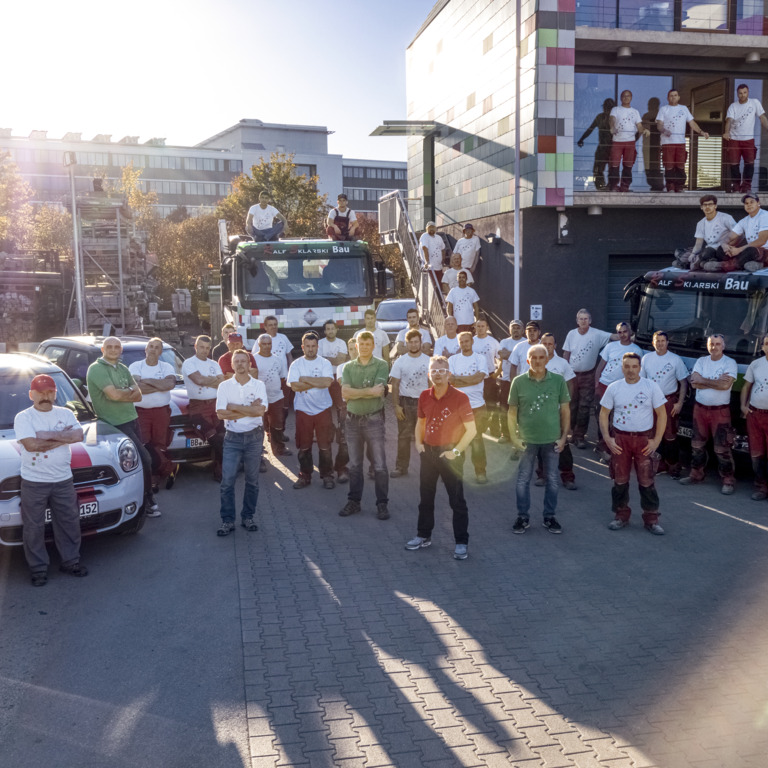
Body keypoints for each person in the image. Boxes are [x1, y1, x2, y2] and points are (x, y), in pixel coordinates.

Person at [14, 374, 88, 586]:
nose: (45, 396)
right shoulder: (24, 417)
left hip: (63, 480)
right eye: (40, 392)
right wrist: (62, 436)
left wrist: (45, 435)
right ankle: (38, 569)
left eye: (49, 392)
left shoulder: (65, 412)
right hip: (34, 482)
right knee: (33, 527)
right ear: (31, 394)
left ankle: (70, 561)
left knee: (69, 523)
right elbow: (31, 445)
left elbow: (79, 436)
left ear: (55, 394)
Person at [405, 356, 477, 560]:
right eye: (433, 371)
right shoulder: (424, 396)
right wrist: (419, 444)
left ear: (449, 374)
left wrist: (455, 452)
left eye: (441, 370)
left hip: (451, 454)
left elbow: (471, 430)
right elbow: (421, 422)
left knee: (457, 502)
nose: (437, 374)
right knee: (425, 499)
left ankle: (461, 542)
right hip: (429, 453)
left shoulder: (460, 397)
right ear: (429, 374)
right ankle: (423, 536)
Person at [87, 336, 158, 515]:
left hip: (132, 419)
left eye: (116, 347)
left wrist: (123, 393)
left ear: (121, 350)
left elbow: (139, 395)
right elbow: (114, 396)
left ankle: (137, 498)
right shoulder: (96, 369)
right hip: (115, 425)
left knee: (137, 462)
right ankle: (147, 500)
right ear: (102, 350)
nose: (113, 349)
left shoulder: (123, 368)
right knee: (144, 459)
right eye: (109, 347)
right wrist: (128, 392)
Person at [600, 353, 667, 534]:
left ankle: (651, 519)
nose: (630, 370)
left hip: (644, 440)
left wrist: (656, 440)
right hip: (620, 440)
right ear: (622, 368)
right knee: (620, 480)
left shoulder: (651, 387)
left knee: (647, 481)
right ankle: (621, 516)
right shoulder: (614, 388)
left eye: (634, 366)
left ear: (640, 368)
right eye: (627, 366)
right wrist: (607, 438)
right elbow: (604, 414)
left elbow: (662, 414)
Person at [508, 344, 570, 535]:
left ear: (547, 359)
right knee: (522, 480)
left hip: (552, 440)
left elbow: (566, 411)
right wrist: (514, 439)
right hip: (526, 440)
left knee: (552, 480)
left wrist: (563, 438)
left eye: (541, 357)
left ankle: (549, 517)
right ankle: (523, 517)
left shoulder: (558, 381)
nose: (537, 361)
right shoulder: (518, 382)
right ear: (527, 361)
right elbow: (511, 413)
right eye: (533, 358)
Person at [215, 349, 268, 536]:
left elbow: (260, 411)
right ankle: (228, 520)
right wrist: (249, 409)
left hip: (254, 438)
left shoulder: (259, 385)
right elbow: (221, 413)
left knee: (252, 481)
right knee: (227, 481)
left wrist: (235, 408)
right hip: (232, 438)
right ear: (232, 364)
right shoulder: (224, 387)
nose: (240, 364)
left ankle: (248, 517)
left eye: (243, 361)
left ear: (249, 364)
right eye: (236, 361)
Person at [340, 332, 390, 519]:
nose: (364, 347)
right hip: (352, 421)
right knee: (354, 465)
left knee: (379, 465)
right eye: (361, 343)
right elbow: (345, 392)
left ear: (373, 345)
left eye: (368, 344)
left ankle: (382, 504)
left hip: (374, 420)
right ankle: (354, 502)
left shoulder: (382, 365)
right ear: (357, 345)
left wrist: (356, 392)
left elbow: (379, 393)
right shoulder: (348, 367)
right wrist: (367, 391)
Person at [679, 334, 737, 494]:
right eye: (712, 344)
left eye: (718, 344)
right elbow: (694, 382)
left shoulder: (730, 363)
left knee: (722, 448)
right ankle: (696, 474)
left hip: (720, 411)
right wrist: (714, 382)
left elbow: (725, 386)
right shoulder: (701, 361)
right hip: (700, 409)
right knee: (696, 445)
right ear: (707, 346)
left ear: (723, 346)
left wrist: (703, 381)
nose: (714, 347)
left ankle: (728, 480)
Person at [129, 337, 177, 496]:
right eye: (151, 346)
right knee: (144, 444)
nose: (153, 349)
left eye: (157, 347)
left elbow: (169, 385)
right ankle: (169, 467)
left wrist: (147, 381)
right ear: (146, 349)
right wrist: (158, 384)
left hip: (161, 411)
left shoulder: (167, 366)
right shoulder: (136, 366)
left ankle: (155, 478)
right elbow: (137, 388)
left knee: (159, 444)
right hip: (140, 412)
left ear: (161, 351)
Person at [287, 333, 335, 490]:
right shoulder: (296, 365)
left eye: (313, 346)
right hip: (303, 409)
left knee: (325, 445)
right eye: (307, 346)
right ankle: (304, 475)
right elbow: (294, 386)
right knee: (304, 446)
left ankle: (327, 475)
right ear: (302, 347)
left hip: (323, 409)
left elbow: (327, 382)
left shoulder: (325, 363)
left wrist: (305, 379)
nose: (310, 349)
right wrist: (317, 383)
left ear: (317, 347)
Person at [562, 309, 616, 449]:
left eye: (586, 319)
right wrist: (564, 372)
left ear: (590, 321)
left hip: (588, 375)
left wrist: (630, 335)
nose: (583, 321)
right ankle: (571, 432)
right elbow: (566, 353)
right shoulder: (571, 334)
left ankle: (579, 436)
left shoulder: (597, 334)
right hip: (572, 375)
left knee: (584, 407)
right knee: (571, 405)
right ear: (577, 320)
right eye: (581, 319)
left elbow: (614, 337)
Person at [640, 331, 689, 479]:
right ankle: (658, 465)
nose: (660, 344)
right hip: (651, 402)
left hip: (668, 401)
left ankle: (673, 466)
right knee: (653, 433)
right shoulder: (646, 359)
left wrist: (679, 403)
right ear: (653, 343)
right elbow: (641, 382)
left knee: (670, 435)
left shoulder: (675, 360)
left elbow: (683, 383)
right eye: (657, 341)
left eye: (662, 341)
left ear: (667, 343)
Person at [593, 322, 643, 460]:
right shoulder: (610, 346)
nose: (622, 335)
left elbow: (638, 371)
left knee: (616, 419)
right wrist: (597, 382)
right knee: (602, 417)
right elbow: (600, 366)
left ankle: (611, 449)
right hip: (604, 385)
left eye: (625, 332)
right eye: (619, 332)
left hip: (622, 388)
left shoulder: (637, 350)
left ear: (630, 332)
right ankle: (602, 447)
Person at [535, 333, 578, 490]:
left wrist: (566, 404)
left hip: (558, 412)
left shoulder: (562, 364)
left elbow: (570, 385)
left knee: (563, 444)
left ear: (555, 345)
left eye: (550, 343)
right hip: (539, 412)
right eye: (544, 343)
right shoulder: (535, 361)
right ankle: (542, 474)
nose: (547, 346)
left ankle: (567, 476)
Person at [182, 335, 226, 481]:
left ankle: (219, 470)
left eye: (207, 348)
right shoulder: (189, 363)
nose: (204, 350)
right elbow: (198, 380)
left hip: (215, 405)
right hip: (198, 408)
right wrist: (213, 381)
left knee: (222, 437)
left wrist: (206, 381)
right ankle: (230, 464)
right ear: (195, 346)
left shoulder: (214, 363)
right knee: (214, 438)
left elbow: (222, 382)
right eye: (201, 347)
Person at [448, 331, 490, 483]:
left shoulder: (480, 358)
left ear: (472, 342)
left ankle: (480, 472)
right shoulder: (452, 359)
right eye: (462, 342)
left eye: (467, 341)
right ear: (458, 344)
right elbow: (451, 381)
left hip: (477, 407)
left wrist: (459, 379)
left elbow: (479, 378)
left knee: (477, 440)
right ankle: (456, 472)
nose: (464, 344)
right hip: (457, 408)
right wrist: (470, 379)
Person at [390, 329, 431, 479]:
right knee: (404, 437)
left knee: (427, 438)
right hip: (405, 402)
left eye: (416, 342)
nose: (413, 345)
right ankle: (401, 467)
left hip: (424, 402)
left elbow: (432, 384)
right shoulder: (400, 361)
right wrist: (396, 405)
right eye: (411, 342)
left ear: (420, 343)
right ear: (406, 344)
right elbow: (395, 385)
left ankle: (430, 469)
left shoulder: (428, 361)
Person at [656, 89, 709, 193]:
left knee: (680, 165)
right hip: (667, 143)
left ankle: (679, 186)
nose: (673, 97)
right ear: (668, 98)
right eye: (671, 95)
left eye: (675, 95)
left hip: (680, 142)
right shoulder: (664, 109)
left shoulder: (684, 109)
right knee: (669, 165)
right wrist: (664, 130)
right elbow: (659, 125)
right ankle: (670, 186)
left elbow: (692, 123)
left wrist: (701, 132)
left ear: (679, 97)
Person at [318, 320, 350, 483]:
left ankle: (342, 466)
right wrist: (333, 359)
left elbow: (340, 359)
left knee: (342, 411)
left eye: (332, 329)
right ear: (324, 332)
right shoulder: (319, 343)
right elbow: (321, 360)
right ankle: (329, 432)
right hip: (325, 380)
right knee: (325, 414)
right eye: (327, 329)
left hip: (339, 380)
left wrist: (327, 359)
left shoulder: (342, 343)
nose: (330, 331)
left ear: (336, 330)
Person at [724, 84, 768, 193]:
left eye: (745, 92)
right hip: (734, 139)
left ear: (748, 92)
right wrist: (726, 132)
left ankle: (746, 186)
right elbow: (728, 120)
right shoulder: (733, 106)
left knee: (749, 163)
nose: (743, 95)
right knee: (734, 164)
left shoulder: (755, 103)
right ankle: (736, 185)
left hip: (749, 140)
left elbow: (762, 117)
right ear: (737, 94)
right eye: (740, 93)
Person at [254, 333, 291, 462]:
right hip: (259, 400)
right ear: (259, 345)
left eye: (269, 344)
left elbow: (282, 377)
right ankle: (259, 452)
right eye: (263, 344)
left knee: (277, 423)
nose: (266, 346)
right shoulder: (253, 360)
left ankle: (279, 448)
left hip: (276, 397)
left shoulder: (277, 359)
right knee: (258, 425)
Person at [741, 334, 768, 501]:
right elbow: (746, 386)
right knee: (756, 452)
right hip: (755, 414)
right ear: (763, 346)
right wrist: (743, 406)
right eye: (766, 343)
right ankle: (761, 487)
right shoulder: (756, 364)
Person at [609, 90, 650, 193]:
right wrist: (612, 127)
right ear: (620, 98)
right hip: (617, 141)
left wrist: (644, 130)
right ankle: (614, 186)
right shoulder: (616, 109)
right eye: (623, 96)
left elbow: (639, 126)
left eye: (628, 96)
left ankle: (625, 186)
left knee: (628, 165)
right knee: (614, 165)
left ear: (631, 97)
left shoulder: (635, 112)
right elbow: (612, 119)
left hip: (630, 142)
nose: (626, 98)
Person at [682, 195, 736, 270]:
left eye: (710, 204)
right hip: (709, 250)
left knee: (707, 253)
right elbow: (698, 243)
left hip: (724, 250)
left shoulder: (726, 218)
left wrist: (730, 245)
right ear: (701, 207)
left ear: (715, 206)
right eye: (705, 205)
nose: (707, 207)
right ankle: (703, 262)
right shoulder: (700, 223)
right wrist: (693, 254)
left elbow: (739, 234)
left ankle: (704, 263)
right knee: (683, 255)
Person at [719, 193, 768, 272]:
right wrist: (724, 244)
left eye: (752, 202)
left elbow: (762, 241)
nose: (749, 205)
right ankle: (747, 263)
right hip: (750, 250)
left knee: (751, 251)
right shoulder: (744, 220)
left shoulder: (765, 216)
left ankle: (728, 265)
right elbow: (730, 237)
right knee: (721, 249)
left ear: (758, 203)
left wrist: (739, 250)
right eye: (746, 203)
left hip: (764, 251)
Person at [496, 320, 525, 443]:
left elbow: (508, 355)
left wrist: (510, 354)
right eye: (513, 327)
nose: (515, 330)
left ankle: (522, 434)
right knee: (504, 407)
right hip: (506, 380)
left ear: (522, 330)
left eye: (518, 327)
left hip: (523, 380)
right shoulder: (504, 342)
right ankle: (505, 434)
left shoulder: (525, 342)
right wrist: (516, 355)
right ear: (509, 329)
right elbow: (501, 355)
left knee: (522, 409)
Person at [577, 98, 616, 190]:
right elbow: (590, 129)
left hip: (612, 148)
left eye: (609, 108)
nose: (607, 109)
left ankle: (611, 186)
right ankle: (601, 186)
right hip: (602, 148)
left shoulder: (615, 118)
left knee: (612, 169)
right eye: (606, 107)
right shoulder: (600, 117)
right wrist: (581, 139)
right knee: (598, 169)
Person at [473, 317, 500, 436]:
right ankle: (476, 430)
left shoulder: (493, 342)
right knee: (476, 405)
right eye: (478, 326)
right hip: (474, 378)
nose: (480, 328)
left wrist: (496, 374)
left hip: (489, 377)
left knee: (491, 405)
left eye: (482, 326)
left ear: (487, 327)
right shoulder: (471, 341)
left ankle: (494, 430)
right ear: (475, 328)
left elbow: (500, 359)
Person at [641, 97, 664, 192]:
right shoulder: (646, 116)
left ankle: (658, 186)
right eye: (649, 105)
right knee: (649, 168)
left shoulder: (660, 116)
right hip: (647, 147)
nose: (649, 107)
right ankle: (655, 186)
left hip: (657, 147)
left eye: (651, 105)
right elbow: (641, 130)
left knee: (655, 168)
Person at [420, 220, 446, 285]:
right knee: (433, 285)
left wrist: (443, 259)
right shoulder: (424, 236)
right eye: (429, 228)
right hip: (430, 267)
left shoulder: (438, 237)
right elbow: (425, 249)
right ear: (427, 229)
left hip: (438, 266)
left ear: (435, 229)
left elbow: (443, 249)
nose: (431, 229)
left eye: (433, 227)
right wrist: (426, 262)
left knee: (440, 284)